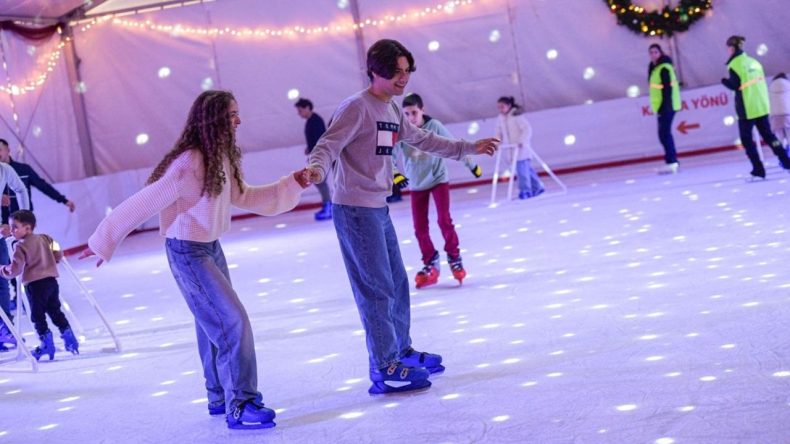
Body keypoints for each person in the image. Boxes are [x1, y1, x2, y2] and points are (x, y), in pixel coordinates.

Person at [79, 90, 310, 430]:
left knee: (211, 323)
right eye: (232, 114)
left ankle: (219, 395)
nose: (239, 120)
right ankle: (241, 403)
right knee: (232, 321)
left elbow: (245, 196)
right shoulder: (189, 163)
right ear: (214, 119)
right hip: (187, 252)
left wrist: (291, 185)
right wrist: (104, 239)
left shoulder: (221, 156)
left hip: (210, 247)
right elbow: (146, 201)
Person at [306, 39, 499, 395]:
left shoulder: (392, 108)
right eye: (396, 72)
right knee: (376, 287)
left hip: (377, 207)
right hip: (355, 209)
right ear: (375, 71)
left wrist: (467, 148)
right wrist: (317, 169)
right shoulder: (356, 107)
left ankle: (400, 350)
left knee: (396, 282)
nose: (403, 78)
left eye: (407, 71)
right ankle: (384, 367)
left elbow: (422, 139)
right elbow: (326, 146)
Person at [394, 93, 481, 289]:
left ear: (422, 110)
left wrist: (472, 165)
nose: (410, 118)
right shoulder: (402, 131)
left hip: (438, 179)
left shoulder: (434, 127)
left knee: (444, 220)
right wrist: (395, 174)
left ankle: (454, 257)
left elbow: (454, 146)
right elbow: (388, 155)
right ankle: (430, 262)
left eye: (414, 113)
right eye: (406, 114)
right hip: (417, 183)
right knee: (420, 228)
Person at [0, 210, 78, 360]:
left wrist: (2, 269)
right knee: (55, 310)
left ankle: (46, 343)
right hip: (51, 282)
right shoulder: (45, 238)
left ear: (27, 228)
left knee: (37, 316)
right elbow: (57, 249)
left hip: (35, 286)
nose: (12, 231)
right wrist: (54, 259)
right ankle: (69, 336)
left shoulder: (20, 246)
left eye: (15, 227)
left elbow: (15, 270)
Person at [721, 35, 790, 179]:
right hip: (761, 105)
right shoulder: (754, 62)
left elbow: (735, 85)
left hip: (747, 107)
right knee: (770, 137)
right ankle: (786, 161)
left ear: (732, 48)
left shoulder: (734, 65)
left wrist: (724, 82)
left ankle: (758, 169)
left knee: (746, 139)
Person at [0, 162, 29, 353]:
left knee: (3, 280)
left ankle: (4, 327)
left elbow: (20, 189)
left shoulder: (4, 169)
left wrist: (25, 219)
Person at [495, 96, 544, 199]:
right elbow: (499, 132)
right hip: (511, 149)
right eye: (499, 107)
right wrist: (497, 143)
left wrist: (522, 141)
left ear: (509, 106)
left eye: (502, 107)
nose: (500, 109)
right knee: (526, 170)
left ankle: (525, 190)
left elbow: (527, 129)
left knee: (522, 171)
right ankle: (538, 186)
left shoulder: (516, 115)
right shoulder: (501, 118)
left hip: (521, 148)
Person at [295, 98, 332, 221]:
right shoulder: (311, 121)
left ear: (307, 108)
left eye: (300, 110)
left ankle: (329, 207)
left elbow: (320, 141)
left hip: (322, 157)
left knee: (319, 181)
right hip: (318, 156)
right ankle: (328, 205)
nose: (299, 113)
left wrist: (314, 155)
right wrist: (309, 149)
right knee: (318, 181)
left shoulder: (315, 121)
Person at [648, 44, 682, 174]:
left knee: (664, 133)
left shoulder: (663, 68)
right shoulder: (654, 67)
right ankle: (671, 160)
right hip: (662, 106)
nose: (653, 54)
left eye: (655, 52)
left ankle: (672, 161)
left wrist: (664, 105)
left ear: (660, 53)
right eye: (651, 52)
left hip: (667, 105)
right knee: (663, 134)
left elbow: (667, 88)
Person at [768, 73, 790, 147]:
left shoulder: (770, 87)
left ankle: (779, 151)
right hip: (788, 115)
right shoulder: (788, 85)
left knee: (777, 139)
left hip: (775, 116)